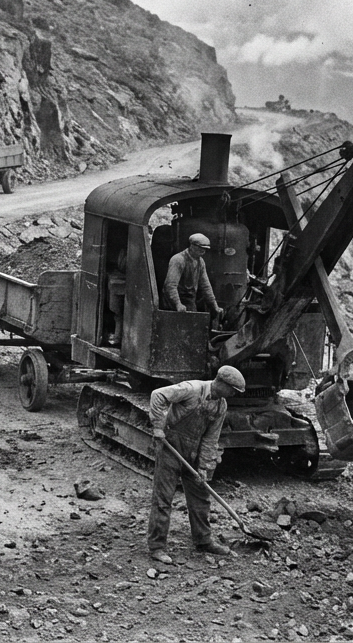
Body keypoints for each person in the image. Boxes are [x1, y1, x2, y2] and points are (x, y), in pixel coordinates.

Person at [146, 365, 246, 565]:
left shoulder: (221, 405)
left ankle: (203, 540)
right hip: (171, 448)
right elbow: (158, 395)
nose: (234, 394)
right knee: (163, 498)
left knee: (201, 497)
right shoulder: (192, 389)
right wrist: (158, 426)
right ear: (222, 383)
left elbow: (211, 438)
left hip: (194, 451)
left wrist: (204, 466)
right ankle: (157, 547)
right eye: (233, 390)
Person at [162, 233, 222, 318]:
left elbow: (206, 286)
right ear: (192, 246)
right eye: (201, 249)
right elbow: (170, 285)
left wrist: (215, 306)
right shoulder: (178, 260)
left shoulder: (200, 262)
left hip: (189, 300)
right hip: (173, 302)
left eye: (205, 250)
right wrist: (178, 304)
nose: (203, 252)